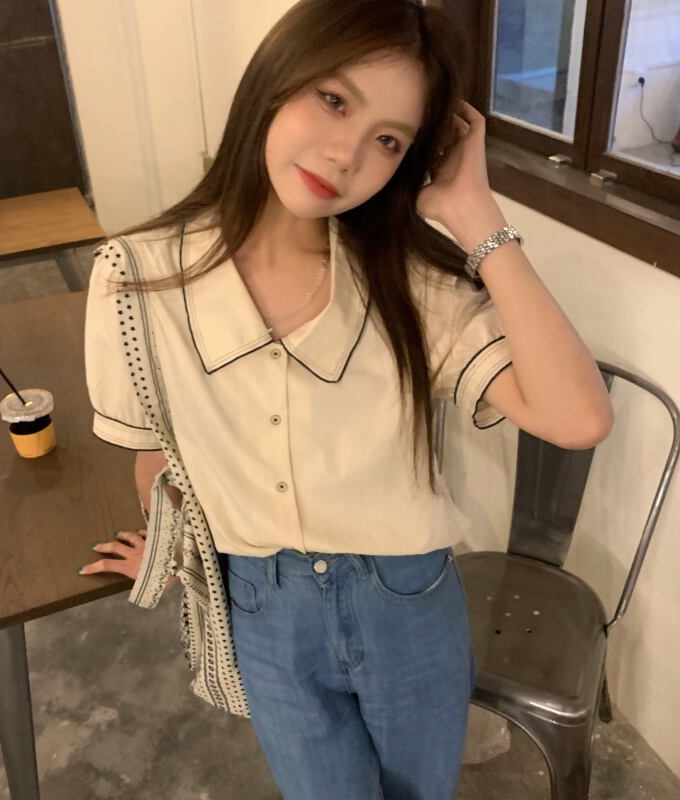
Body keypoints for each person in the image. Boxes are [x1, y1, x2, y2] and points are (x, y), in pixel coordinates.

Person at [78, 1, 615, 798]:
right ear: (276, 78)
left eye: (389, 140)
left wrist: (475, 213)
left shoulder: (411, 287)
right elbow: (156, 452)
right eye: (333, 99)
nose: (346, 154)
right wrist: (174, 547)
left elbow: (579, 417)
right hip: (264, 607)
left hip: (408, 604)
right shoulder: (137, 278)